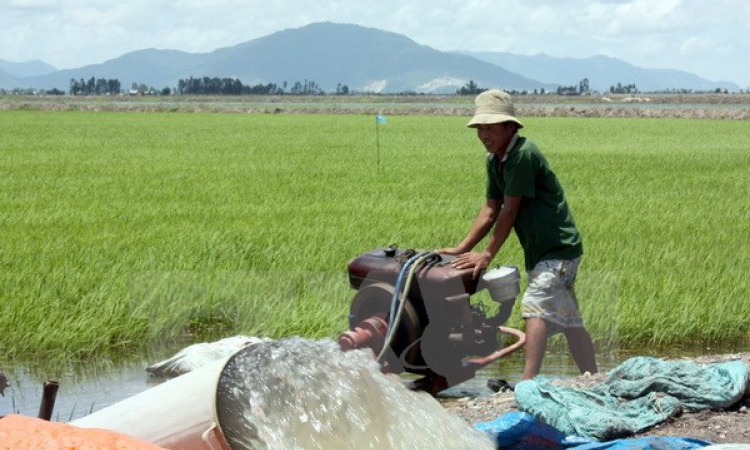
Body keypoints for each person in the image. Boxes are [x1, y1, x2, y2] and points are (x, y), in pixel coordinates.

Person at [439, 89, 598, 380]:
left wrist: (486, 254)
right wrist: (462, 248)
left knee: (534, 306)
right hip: (543, 251)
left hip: (558, 248)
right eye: (480, 129)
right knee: (570, 320)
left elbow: (509, 212)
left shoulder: (523, 154)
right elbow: (490, 209)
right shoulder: (494, 160)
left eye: (490, 128)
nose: (484, 135)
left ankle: (528, 384)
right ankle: (594, 377)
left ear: (509, 126)